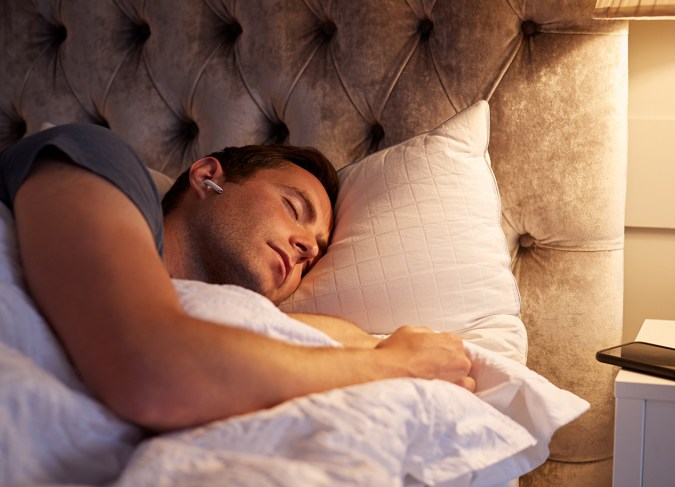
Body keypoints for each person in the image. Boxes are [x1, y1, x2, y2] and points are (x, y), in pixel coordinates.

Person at [0, 123, 474, 432]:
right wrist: (393, 367)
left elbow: (307, 337)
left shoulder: (213, 325)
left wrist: (378, 347)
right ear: (209, 175)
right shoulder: (98, 158)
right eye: (294, 208)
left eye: (315, 256)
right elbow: (148, 366)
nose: (307, 247)